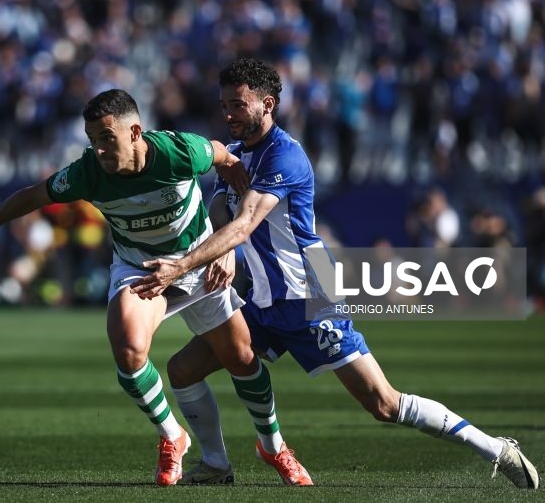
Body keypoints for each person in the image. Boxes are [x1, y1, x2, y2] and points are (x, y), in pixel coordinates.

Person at [130, 58, 539, 490]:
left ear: (267, 104)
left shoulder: (284, 154)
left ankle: (496, 448)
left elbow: (246, 221)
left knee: (383, 403)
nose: (229, 113)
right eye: (224, 105)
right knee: (183, 369)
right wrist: (220, 248)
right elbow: (222, 209)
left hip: (312, 289)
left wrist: (182, 265)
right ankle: (216, 464)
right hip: (265, 296)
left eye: (238, 104)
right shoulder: (236, 155)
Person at [0, 89, 312, 486]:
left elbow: (223, 155)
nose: (100, 149)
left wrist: (223, 230)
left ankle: (273, 446)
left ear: (135, 132)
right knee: (128, 349)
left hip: (195, 264)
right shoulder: (88, 172)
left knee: (241, 357)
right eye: (93, 140)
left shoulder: (179, 152)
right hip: (141, 269)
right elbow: (33, 195)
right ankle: (173, 436)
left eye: (107, 138)